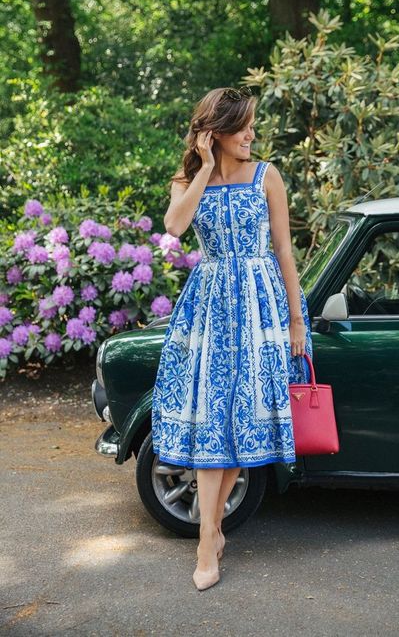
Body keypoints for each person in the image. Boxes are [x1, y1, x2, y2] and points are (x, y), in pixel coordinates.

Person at [151, 85, 312, 590]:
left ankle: (210, 535)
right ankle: (208, 540)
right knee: (212, 416)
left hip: (261, 307)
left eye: (252, 125)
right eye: (242, 127)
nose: (251, 134)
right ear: (213, 133)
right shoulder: (188, 178)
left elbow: (285, 252)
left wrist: (296, 320)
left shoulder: (267, 175)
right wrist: (201, 170)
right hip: (211, 307)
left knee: (240, 417)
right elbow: (174, 227)